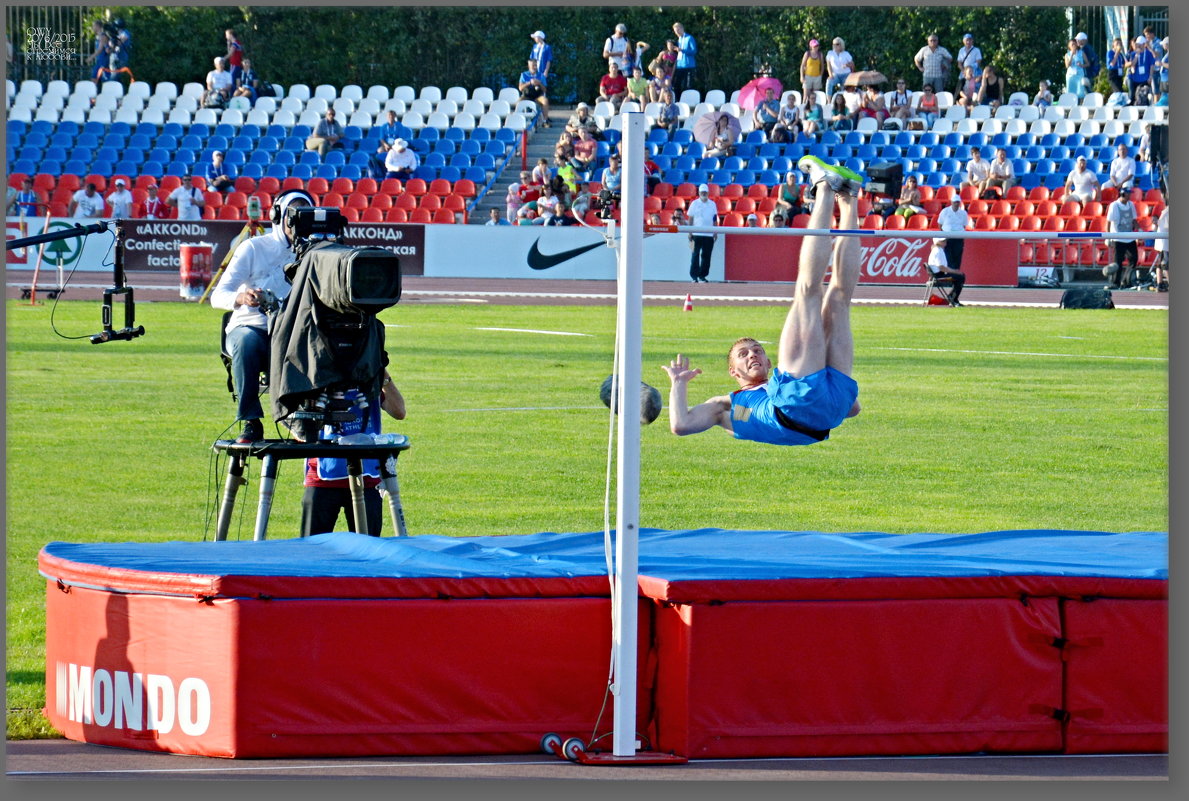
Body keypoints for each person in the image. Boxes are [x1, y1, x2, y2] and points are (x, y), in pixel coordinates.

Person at [663, 156, 862, 447]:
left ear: (770, 362)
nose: (752, 355)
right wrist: (678, 386)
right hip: (803, 405)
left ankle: (849, 199)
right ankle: (824, 187)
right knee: (809, 293)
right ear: (734, 372)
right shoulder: (724, 407)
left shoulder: (768, 387)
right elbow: (681, 424)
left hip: (817, 408)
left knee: (837, 298)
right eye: (743, 355)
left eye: (755, 350)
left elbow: (854, 409)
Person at [209, 189, 313, 443]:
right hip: (251, 325)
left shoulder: (317, 253)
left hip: (294, 329)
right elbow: (217, 295)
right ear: (278, 216)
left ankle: (308, 414)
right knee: (247, 343)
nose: (297, 222)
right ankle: (250, 420)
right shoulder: (252, 248)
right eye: (292, 215)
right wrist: (241, 297)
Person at [300, 366, 406, 538]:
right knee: (312, 549)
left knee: (367, 550)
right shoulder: (314, 372)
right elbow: (294, 422)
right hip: (321, 477)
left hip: (367, 478)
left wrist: (381, 373)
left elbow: (399, 411)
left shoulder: (369, 380)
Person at [1104, 191, 1139, 289]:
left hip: (1129, 237)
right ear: (1123, 195)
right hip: (1118, 238)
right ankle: (1116, 282)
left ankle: (1126, 280)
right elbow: (1109, 222)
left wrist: (1140, 230)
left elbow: (1134, 220)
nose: (1130, 196)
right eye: (1128, 194)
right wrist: (1108, 237)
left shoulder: (1131, 204)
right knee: (1117, 262)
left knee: (1134, 259)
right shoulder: (1114, 205)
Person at [686, 183, 718, 283]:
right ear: (699, 193)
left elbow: (714, 218)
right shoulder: (694, 204)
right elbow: (690, 218)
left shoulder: (713, 204)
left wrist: (715, 231)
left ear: (708, 193)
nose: (704, 194)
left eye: (705, 192)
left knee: (706, 256)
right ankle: (694, 276)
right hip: (696, 234)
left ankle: (702, 276)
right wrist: (690, 232)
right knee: (695, 255)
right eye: (702, 192)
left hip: (708, 235)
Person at [937, 194, 971, 275]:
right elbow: (940, 224)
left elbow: (964, 225)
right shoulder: (945, 211)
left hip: (958, 238)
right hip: (948, 238)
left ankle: (955, 277)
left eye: (958, 202)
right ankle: (950, 276)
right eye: (955, 202)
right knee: (948, 258)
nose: (956, 204)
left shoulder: (963, 213)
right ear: (951, 202)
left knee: (957, 258)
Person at [926, 237, 966, 305]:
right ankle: (953, 299)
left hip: (936, 275)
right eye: (943, 241)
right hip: (938, 275)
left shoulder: (937, 250)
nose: (945, 242)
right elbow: (941, 268)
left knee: (959, 276)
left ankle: (952, 297)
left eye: (945, 240)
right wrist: (955, 271)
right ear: (938, 242)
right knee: (961, 277)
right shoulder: (938, 251)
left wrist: (954, 271)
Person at [518, 58, 550, 127]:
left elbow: (545, 90)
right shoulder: (524, 75)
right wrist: (529, 83)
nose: (535, 67)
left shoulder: (541, 76)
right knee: (518, 102)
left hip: (537, 96)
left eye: (535, 65)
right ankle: (518, 120)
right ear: (529, 66)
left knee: (545, 101)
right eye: (533, 65)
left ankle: (545, 121)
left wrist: (539, 83)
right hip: (527, 95)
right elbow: (520, 88)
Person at [1127, 36, 1156, 104]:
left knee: (1145, 97)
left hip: (1145, 79)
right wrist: (1137, 55)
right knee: (1133, 97)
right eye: (1137, 45)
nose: (1138, 46)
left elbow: (1152, 65)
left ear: (1144, 44)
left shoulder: (1148, 53)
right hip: (1135, 79)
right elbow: (1132, 64)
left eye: (1140, 45)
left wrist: (1150, 76)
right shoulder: (1133, 53)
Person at [671, 22, 697, 93]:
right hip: (680, 66)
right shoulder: (679, 39)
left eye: (678, 30)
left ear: (682, 29)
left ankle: (688, 102)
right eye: (675, 31)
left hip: (689, 65)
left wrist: (682, 50)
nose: (677, 33)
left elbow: (694, 51)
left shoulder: (689, 38)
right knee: (676, 85)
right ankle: (679, 101)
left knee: (688, 86)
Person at [1151, 200, 1168, 292]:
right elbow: (1155, 220)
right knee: (1165, 263)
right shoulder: (1165, 210)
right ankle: (1162, 283)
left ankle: (1160, 283)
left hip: (1164, 241)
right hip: (1164, 241)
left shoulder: (1165, 210)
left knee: (1162, 263)